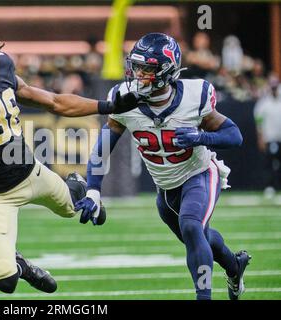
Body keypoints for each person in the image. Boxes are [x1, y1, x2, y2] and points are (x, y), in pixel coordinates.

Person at [0, 8, 137, 294]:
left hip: (32, 172)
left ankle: (77, 187)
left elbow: (54, 102)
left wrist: (108, 106)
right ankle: (22, 266)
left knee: (71, 209)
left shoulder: (2, 66)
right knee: (6, 281)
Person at [75, 33, 251, 300]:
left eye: (147, 69)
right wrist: (93, 190)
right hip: (165, 188)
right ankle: (234, 266)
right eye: (136, 66)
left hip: (199, 173)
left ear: (167, 71)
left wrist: (201, 137)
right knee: (198, 236)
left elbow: (234, 136)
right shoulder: (123, 100)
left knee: (192, 226)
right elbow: (102, 148)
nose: (138, 74)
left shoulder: (194, 96)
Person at [254, 76, 281, 198]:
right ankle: (269, 187)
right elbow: (259, 122)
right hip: (269, 137)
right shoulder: (264, 103)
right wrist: (261, 137)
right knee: (268, 163)